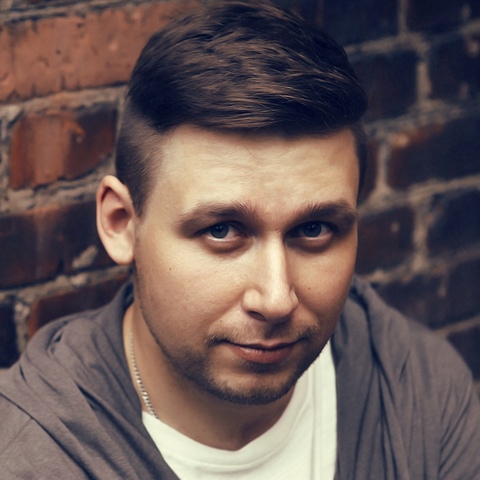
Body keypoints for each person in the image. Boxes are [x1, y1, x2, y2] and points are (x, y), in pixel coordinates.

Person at [0, 2, 479, 479]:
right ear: (122, 223)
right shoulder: (30, 457)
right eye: (222, 231)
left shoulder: (420, 397)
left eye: (313, 229)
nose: (276, 299)